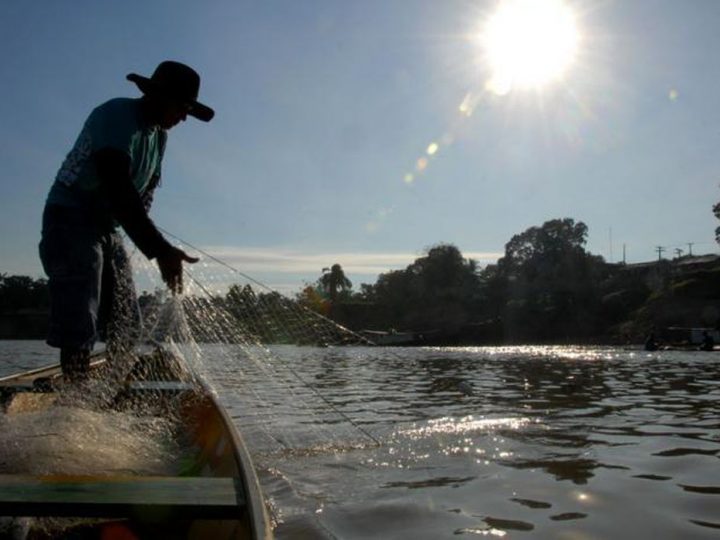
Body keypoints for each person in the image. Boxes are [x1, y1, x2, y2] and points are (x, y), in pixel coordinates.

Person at [39, 61, 213, 380]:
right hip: (70, 218)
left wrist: (153, 243)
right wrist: (159, 249)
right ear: (157, 96)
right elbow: (117, 186)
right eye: (181, 106)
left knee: (126, 322)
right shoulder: (118, 116)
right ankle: (74, 401)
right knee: (81, 313)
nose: (184, 116)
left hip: (107, 228)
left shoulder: (159, 137)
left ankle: (114, 390)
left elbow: (141, 198)